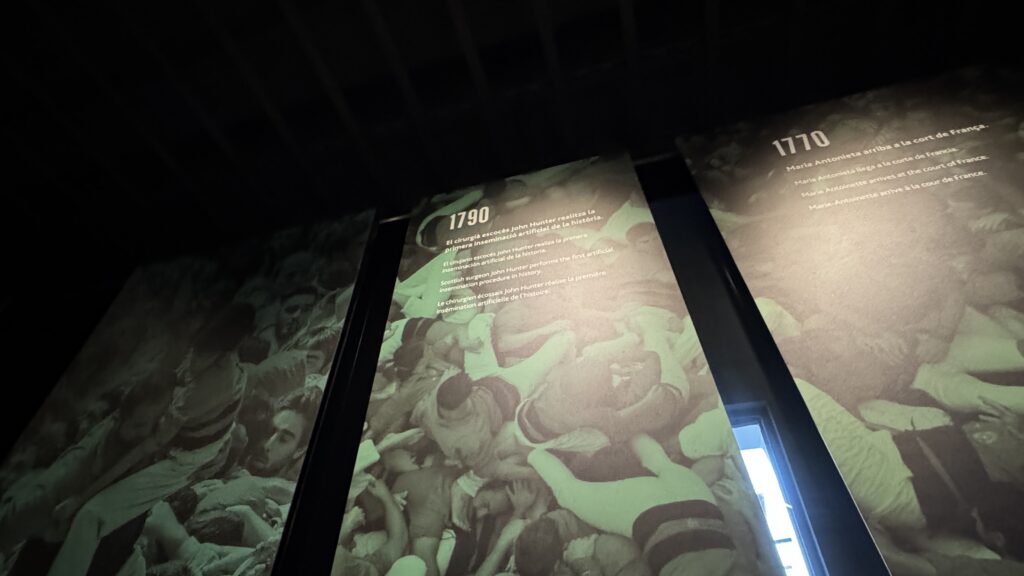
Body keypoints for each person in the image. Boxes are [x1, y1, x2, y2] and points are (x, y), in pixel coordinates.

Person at [45, 304, 254, 576]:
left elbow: (146, 447)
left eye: (206, 354)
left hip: (182, 460)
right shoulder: (205, 360)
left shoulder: (211, 386)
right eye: (197, 350)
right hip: (188, 441)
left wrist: (80, 497)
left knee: (91, 514)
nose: (195, 360)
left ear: (224, 352)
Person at [528, 435, 738, 576]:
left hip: (686, 506)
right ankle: (629, 432)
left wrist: (584, 564)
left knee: (658, 461)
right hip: (676, 505)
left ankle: (630, 432)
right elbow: (567, 491)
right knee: (659, 461)